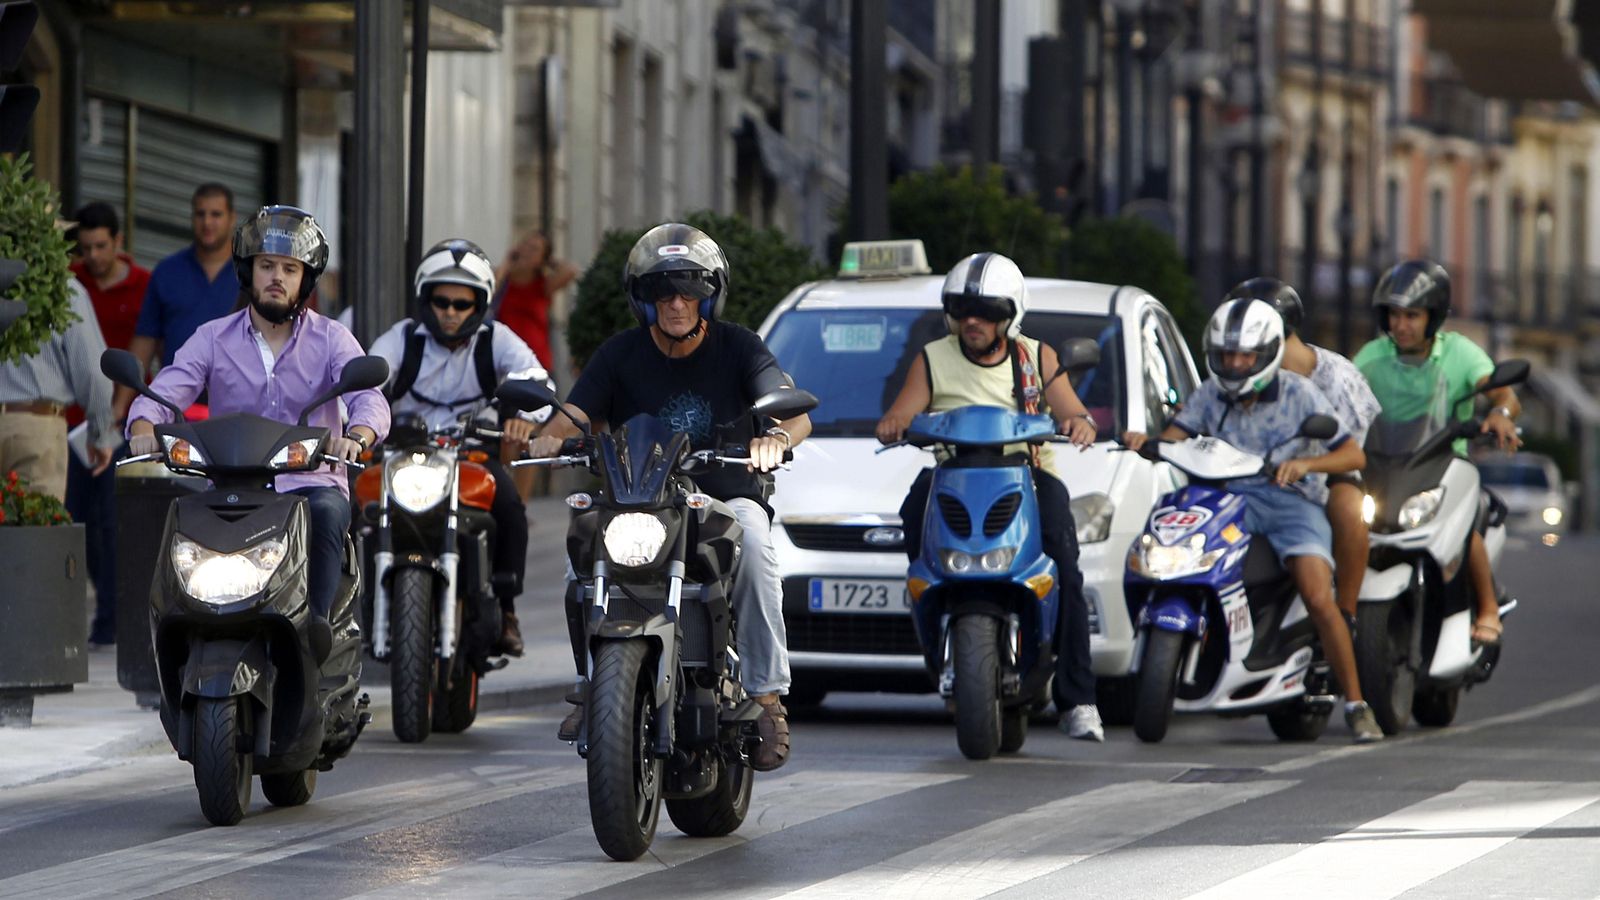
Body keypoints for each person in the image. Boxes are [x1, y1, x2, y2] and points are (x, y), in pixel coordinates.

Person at [528, 222, 810, 772]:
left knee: (756, 550)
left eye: (689, 290)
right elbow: (577, 412)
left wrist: (775, 437)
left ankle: (769, 698)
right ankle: (593, 683)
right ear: (644, 300)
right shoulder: (619, 354)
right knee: (579, 566)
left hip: (725, 497)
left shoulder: (740, 347)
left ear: (710, 295)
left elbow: (794, 416)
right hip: (639, 500)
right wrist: (548, 433)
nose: (676, 303)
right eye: (662, 292)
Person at [1122, 298, 1383, 743]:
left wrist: (1305, 466)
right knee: (1167, 558)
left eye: (1245, 355)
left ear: (1266, 354)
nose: (1236, 364)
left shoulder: (1300, 393)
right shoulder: (1210, 393)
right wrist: (1146, 442)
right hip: (1220, 500)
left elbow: (1352, 453)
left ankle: (1357, 704)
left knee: (1319, 596)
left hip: (1288, 502)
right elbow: (1176, 436)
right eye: (1227, 355)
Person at [126, 206, 389, 646]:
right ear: (248, 272)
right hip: (231, 487)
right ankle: (179, 633)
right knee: (180, 518)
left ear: (305, 279)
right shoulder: (212, 337)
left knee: (327, 512)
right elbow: (169, 387)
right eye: (267, 265)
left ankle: (317, 625)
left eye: (289, 268)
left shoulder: (331, 339)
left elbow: (368, 397)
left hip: (310, 484)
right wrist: (143, 423)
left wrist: (357, 436)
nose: (277, 277)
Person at [874, 252, 1105, 742]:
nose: (972, 322)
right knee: (912, 514)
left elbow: (1075, 412)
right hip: (952, 475)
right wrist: (896, 424)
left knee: (1065, 565)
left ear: (1011, 314)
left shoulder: (1036, 357)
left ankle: (1078, 697)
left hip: (1027, 473)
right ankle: (935, 615)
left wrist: (1077, 423)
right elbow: (897, 416)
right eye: (962, 311)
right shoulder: (933, 357)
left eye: (985, 312)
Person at [370, 238, 555, 657]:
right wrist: (360, 418)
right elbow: (370, 379)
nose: (451, 312)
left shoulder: (497, 340)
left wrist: (524, 419)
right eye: (442, 301)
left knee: (510, 509)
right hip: (402, 458)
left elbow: (538, 380)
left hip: (472, 455)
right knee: (357, 511)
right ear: (426, 299)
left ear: (480, 303)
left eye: (462, 304)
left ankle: (507, 610)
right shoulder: (402, 338)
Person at [1353, 260, 1517, 649]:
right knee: (1343, 516)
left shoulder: (1460, 353)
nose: (1401, 324)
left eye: (1412, 315)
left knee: (1466, 527)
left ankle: (1489, 607)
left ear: (1434, 316)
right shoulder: (1372, 356)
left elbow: (1500, 391)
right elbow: (1341, 396)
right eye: (1394, 314)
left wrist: (1500, 414)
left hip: (1445, 463)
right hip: (1384, 463)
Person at [1225, 278, 1380, 621]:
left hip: (1324, 474)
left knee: (1349, 506)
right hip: (1253, 474)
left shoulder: (1338, 376)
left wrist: (1308, 465)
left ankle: (1346, 613)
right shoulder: (1241, 371)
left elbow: (1353, 449)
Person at [66, 201, 152, 646]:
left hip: (125, 424)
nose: (94, 256)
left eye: (101, 246)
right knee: (74, 521)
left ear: (118, 242)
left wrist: (123, 410)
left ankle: (110, 621)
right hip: (72, 425)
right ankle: (90, 614)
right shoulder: (68, 284)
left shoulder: (142, 286)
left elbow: (146, 348)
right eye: (85, 248)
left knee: (111, 522)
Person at [117, 183, 240, 419]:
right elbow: (145, 341)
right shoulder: (167, 272)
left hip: (237, 408)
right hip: (176, 407)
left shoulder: (251, 273)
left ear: (232, 218)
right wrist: (120, 405)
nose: (207, 223)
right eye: (200, 214)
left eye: (216, 214)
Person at [0, 278, 118, 501]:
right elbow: (93, 371)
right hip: (36, 425)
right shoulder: (62, 287)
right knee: (36, 529)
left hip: (34, 424)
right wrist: (100, 433)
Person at [493, 230, 576, 371]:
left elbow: (570, 270)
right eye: (524, 245)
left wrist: (549, 261)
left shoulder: (543, 285)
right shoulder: (503, 280)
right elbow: (489, 289)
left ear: (542, 259)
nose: (526, 251)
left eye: (534, 249)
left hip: (536, 361)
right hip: (504, 358)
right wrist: (507, 262)